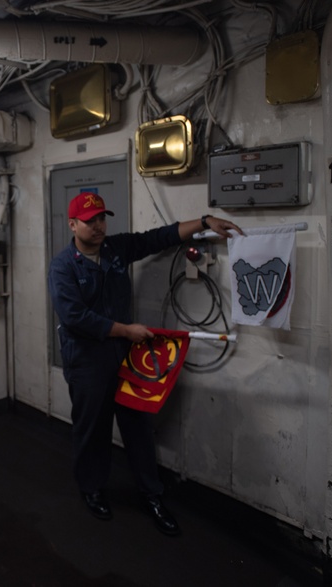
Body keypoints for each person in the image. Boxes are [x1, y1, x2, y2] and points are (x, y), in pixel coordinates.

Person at [47, 191, 241, 536]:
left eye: (102, 218)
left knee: (138, 426)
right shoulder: (63, 266)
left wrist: (205, 222)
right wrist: (126, 330)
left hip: (125, 357)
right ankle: (92, 489)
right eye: (90, 221)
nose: (98, 226)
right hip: (88, 361)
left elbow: (157, 238)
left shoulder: (115, 249)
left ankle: (152, 495)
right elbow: (75, 317)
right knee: (93, 429)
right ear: (73, 225)